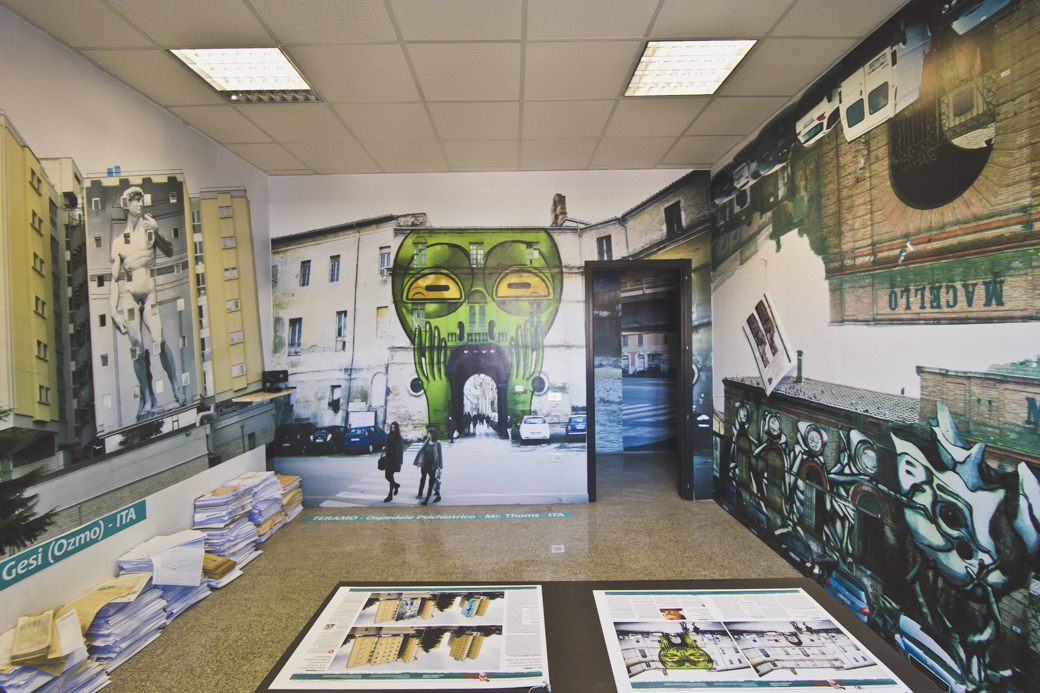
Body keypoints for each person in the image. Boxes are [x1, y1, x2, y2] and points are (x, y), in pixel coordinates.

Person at [110, 186, 185, 419]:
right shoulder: (118, 242)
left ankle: (176, 388)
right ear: (126, 204)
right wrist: (113, 311)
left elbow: (169, 251)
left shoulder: (149, 229)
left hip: (149, 292)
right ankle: (148, 396)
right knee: (137, 347)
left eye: (141, 199)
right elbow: (114, 281)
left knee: (159, 340)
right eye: (135, 199)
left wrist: (158, 230)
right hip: (130, 296)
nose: (140, 203)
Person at [413, 425, 443, 505]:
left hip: (432, 464)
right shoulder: (426, 441)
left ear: (432, 434)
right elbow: (422, 452)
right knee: (423, 478)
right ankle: (420, 493)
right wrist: (419, 463)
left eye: (428, 433)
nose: (427, 434)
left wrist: (441, 467)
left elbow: (440, 456)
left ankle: (427, 498)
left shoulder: (437, 443)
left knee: (431, 481)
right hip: (425, 463)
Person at [382, 422, 403, 502]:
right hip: (388, 458)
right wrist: (384, 447)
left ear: (396, 428)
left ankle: (390, 495)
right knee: (387, 476)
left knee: (390, 475)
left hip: (395, 459)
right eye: (391, 427)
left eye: (394, 428)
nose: (392, 429)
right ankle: (396, 485)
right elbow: (387, 445)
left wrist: (400, 461)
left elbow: (400, 450)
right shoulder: (389, 435)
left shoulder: (398, 437)